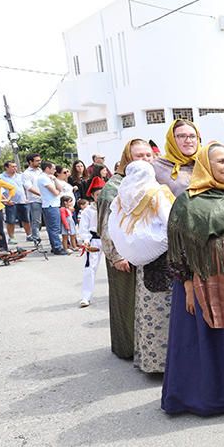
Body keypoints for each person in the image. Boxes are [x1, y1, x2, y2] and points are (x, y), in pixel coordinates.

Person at [162, 143, 224, 415]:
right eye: (221, 162)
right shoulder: (189, 201)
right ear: (206, 165)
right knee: (213, 339)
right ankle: (213, 397)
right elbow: (178, 244)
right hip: (207, 280)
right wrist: (188, 285)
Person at [109, 160, 176, 373]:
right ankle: (165, 363)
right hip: (164, 258)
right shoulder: (156, 193)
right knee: (165, 310)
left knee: (146, 310)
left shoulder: (122, 196)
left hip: (142, 262)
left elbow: (114, 226)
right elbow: (170, 223)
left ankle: (148, 359)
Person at [98, 140, 153, 359]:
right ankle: (126, 348)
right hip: (122, 254)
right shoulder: (114, 187)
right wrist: (116, 256)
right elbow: (105, 225)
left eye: (149, 155)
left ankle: (144, 347)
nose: (146, 160)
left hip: (144, 252)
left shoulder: (146, 182)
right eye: (140, 155)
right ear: (127, 158)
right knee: (125, 302)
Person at [153, 119, 201, 195]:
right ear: (171, 139)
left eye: (192, 136)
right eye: (182, 136)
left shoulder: (205, 163)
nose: (188, 140)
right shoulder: (157, 167)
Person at [78, 179, 104, 307]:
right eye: (98, 194)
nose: (100, 197)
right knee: (90, 268)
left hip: (109, 240)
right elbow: (84, 228)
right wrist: (86, 241)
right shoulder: (87, 211)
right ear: (93, 195)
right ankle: (86, 296)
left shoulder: (111, 207)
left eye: (103, 193)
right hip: (95, 240)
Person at [37, 161, 67, 255]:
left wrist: (55, 179)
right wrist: (58, 191)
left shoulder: (49, 178)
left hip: (53, 204)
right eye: (53, 168)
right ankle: (57, 247)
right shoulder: (43, 178)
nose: (55, 170)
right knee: (54, 228)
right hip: (50, 205)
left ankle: (55, 246)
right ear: (47, 168)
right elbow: (55, 192)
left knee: (53, 227)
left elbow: (60, 189)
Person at [0, 161, 27, 245]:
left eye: (15, 166)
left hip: (23, 201)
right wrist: (7, 200)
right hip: (10, 202)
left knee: (26, 219)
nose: (15, 168)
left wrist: (27, 198)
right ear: (6, 167)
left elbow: (25, 187)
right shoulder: (0, 177)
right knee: (11, 220)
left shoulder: (20, 176)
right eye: (12, 166)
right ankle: (11, 237)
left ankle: (29, 235)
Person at [20, 153, 44, 244]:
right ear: (30, 162)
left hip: (45, 200)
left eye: (39, 160)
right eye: (37, 160)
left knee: (45, 221)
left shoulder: (40, 171)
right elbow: (28, 187)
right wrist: (41, 194)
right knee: (36, 221)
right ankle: (36, 239)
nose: (39, 162)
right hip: (35, 200)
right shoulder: (26, 173)